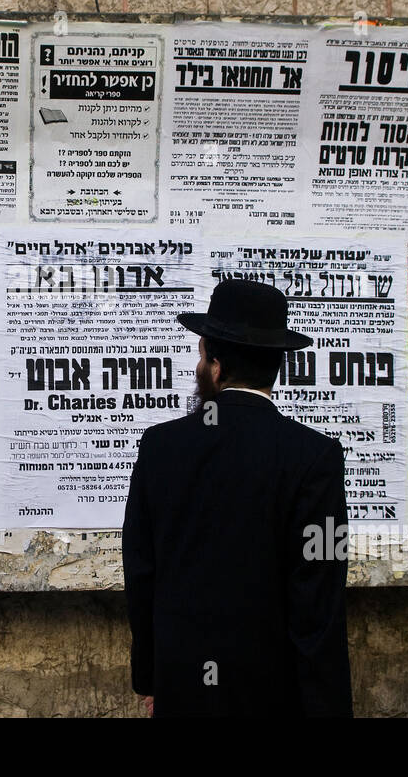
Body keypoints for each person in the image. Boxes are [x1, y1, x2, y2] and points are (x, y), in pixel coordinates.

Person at [122, 278, 352, 718]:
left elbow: (142, 574)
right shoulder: (314, 457)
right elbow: (319, 602)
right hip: (276, 697)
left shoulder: (160, 448)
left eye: (201, 353)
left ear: (215, 364)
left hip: (184, 689)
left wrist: (153, 679)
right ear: (276, 365)